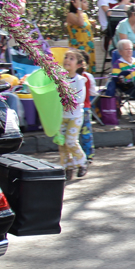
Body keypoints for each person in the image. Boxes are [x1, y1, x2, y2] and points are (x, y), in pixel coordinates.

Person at [59, 50, 89, 180]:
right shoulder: (59, 78)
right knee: (62, 144)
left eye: (71, 58)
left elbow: (79, 98)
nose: (67, 60)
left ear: (78, 65)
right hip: (61, 116)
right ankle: (67, 168)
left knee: (70, 141)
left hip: (75, 116)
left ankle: (82, 162)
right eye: (66, 57)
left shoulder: (80, 80)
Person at [65, 0, 96, 72]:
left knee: (88, 70)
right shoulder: (71, 15)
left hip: (88, 46)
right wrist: (78, 7)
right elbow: (81, 23)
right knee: (79, 69)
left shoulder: (84, 15)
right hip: (78, 47)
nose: (87, 4)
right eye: (84, 2)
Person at [76, 49, 96, 162]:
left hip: (71, 109)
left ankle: (75, 154)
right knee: (86, 132)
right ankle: (88, 154)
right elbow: (93, 92)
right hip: (85, 107)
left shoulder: (67, 77)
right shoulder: (88, 77)